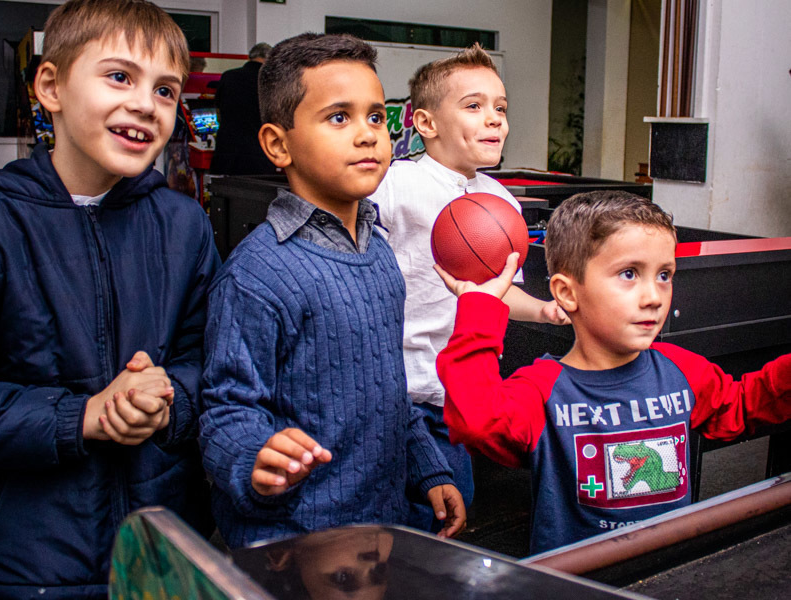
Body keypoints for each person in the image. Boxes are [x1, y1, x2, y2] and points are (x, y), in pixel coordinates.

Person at [0, 1, 220, 597]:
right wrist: (86, 416)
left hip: (165, 543)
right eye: (119, 76)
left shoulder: (185, 226)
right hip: (32, 558)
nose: (146, 104)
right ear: (51, 86)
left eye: (167, 91)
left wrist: (169, 395)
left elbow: (216, 361)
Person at [198, 32, 466, 549]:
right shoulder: (258, 273)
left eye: (375, 117)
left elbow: (391, 388)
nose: (368, 135)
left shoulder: (381, 252)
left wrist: (430, 469)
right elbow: (226, 408)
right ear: (279, 144)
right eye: (339, 118)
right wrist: (255, 457)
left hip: (380, 528)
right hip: (292, 541)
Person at [435, 190, 791, 553]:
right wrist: (480, 308)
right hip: (576, 583)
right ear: (567, 294)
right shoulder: (542, 391)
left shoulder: (679, 369)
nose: (654, 296)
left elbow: (744, 405)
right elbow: (476, 421)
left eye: (664, 275)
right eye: (629, 273)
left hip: (665, 574)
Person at [369, 43, 569, 530]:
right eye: (474, 106)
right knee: (394, 516)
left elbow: (498, 290)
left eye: (500, 108)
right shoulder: (396, 183)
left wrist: (541, 310)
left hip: (458, 391)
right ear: (425, 123)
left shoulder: (501, 200)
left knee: (451, 512)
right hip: (400, 388)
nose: (495, 119)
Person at [209, 42, 277, 175]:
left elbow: (218, 111)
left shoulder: (229, 76)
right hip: (258, 156)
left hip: (226, 154)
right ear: (269, 60)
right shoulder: (269, 81)